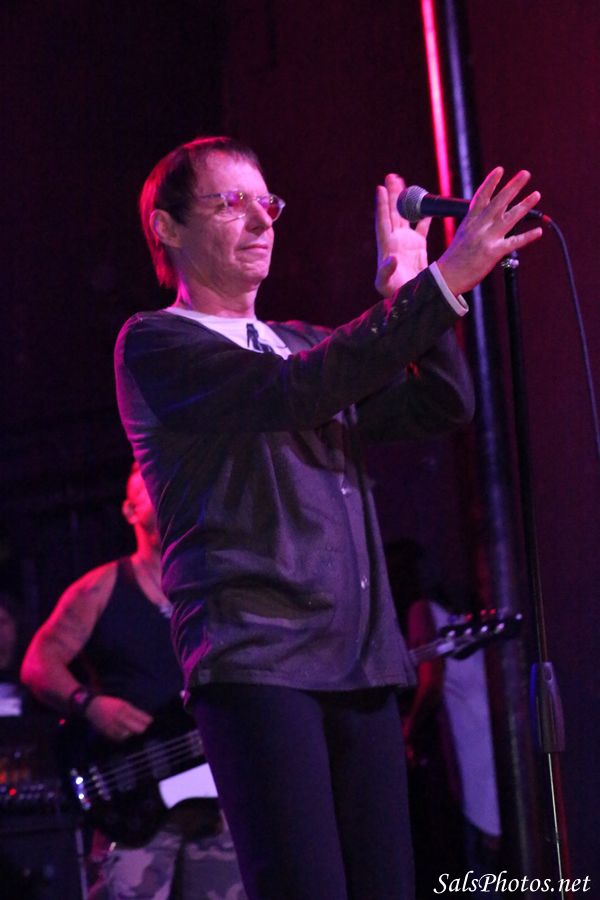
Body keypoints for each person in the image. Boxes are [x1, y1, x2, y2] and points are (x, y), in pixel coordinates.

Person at [113, 135, 542, 900]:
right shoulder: (156, 344)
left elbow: (440, 404)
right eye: (231, 202)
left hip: (361, 658)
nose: (261, 220)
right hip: (259, 660)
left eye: (267, 203)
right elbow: (295, 391)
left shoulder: (304, 344)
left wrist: (413, 290)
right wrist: (439, 286)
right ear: (167, 228)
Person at [20, 463, 246, 900]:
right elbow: (37, 663)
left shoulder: (216, 586)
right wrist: (88, 704)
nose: (164, 492)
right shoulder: (100, 588)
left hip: (216, 793)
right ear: (129, 510)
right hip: (134, 795)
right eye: (151, 485)